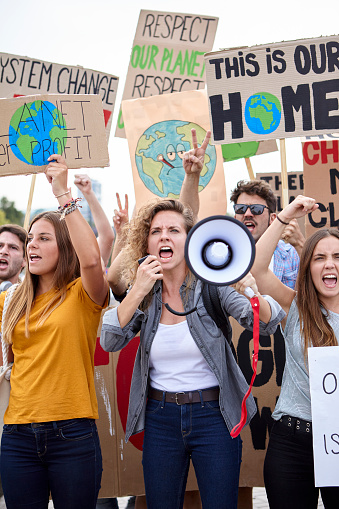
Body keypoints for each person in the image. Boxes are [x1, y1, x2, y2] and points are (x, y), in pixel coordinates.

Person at [100, 196, 284, 509]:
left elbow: (268, 323)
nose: (164, 237)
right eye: (156, 231)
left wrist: (250, 289)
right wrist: (138, 291)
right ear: (147, 242)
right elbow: (109, 339)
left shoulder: (214, 285)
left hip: (213, 416)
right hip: (160, 419)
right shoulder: (145, 293)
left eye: (174, 230)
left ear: (190, 240)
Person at [0, 154, 109, 509]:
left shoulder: (83, 294)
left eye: (42, 238)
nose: (31, 245)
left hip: (72, 435)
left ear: (64, 247)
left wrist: (63, 193)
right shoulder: (12, 300)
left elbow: (92, 259)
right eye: (29, 238)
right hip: (16, 435)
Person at [251, 194, 339, 508]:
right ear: (308, 267)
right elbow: (257, 268)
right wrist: (286, 215)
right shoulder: (296, 307)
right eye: (319, 257)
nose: (329, 264)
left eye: (337, 257)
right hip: (291, 445)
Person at [180, 161, 303, 289]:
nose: (248, 214)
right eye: (241, 209)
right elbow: (189, 217)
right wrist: (192, 176)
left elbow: (306, 297)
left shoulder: (291, 254)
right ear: (235, 217)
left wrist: (300, 244)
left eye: (256, 209)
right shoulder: (220, 249)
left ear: (272, 219)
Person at [74, 173, 115, 268]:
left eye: (44, 238)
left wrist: (88, 193)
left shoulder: (80, 268)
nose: (32, 245)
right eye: (30, 238)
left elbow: (107, 237)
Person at [0, 224, 27, 288]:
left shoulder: (31, 297)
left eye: (13, 247)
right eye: (0, 246)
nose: (3, 251)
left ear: (25, 260)